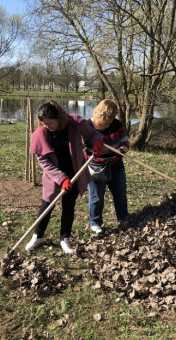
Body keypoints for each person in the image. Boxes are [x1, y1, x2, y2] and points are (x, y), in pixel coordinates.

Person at [26, 101, 103, 254]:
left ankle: (64, 238)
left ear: (59, 118)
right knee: (46, 206)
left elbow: (92, 133)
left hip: (75, 173)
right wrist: (61, 178)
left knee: (69, 206)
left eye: (50, 123)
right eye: (44, 123)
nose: (47, 126)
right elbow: (44, 162)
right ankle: (38, 235)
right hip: (53, 176)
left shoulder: (75, 123)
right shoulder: (40, 133)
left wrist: (97, 142)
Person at [84, 100, 130, 234]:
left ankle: (123, 219)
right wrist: (87, 144)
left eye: (112, 118)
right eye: (108, 119)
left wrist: (122, 149)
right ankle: (95, 223)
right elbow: (78, 146)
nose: (111, 122)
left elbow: (125, 142)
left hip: (116, 166)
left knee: (120, 194)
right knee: (96, 197)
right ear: (101, 116)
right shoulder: (87, 126)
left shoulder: (116, 124)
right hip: (96, 167)